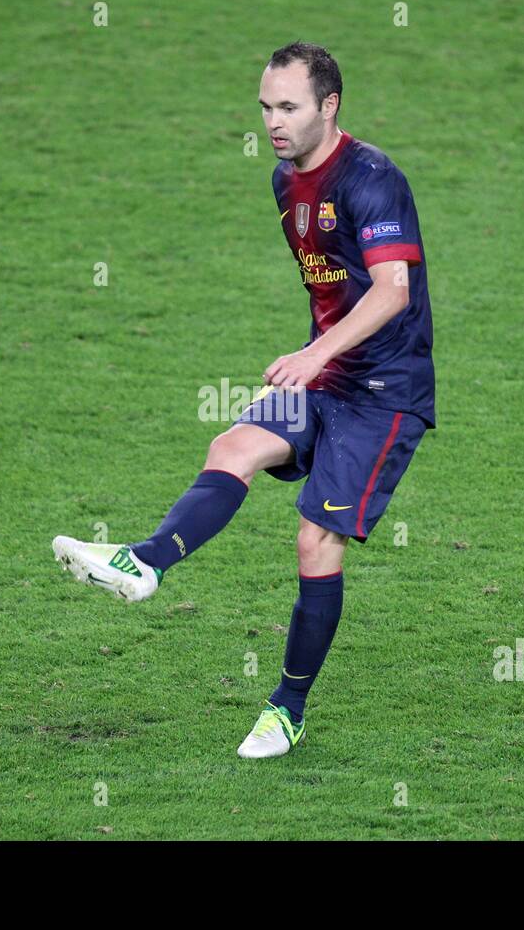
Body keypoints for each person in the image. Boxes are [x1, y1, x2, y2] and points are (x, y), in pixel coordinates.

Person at [53, 41, 435, 759]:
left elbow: (391, 291)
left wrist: (317, 352)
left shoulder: (375, 180)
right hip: (323, 376)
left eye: (288, 107)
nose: (273, 121)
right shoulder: (285, 183)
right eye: (265, 107)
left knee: (314, 540)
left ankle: (286, 709)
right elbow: (333, 286)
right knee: (232, 446)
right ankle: (144, 564)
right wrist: (314, 358)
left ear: (330, 106)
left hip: (385, 393)